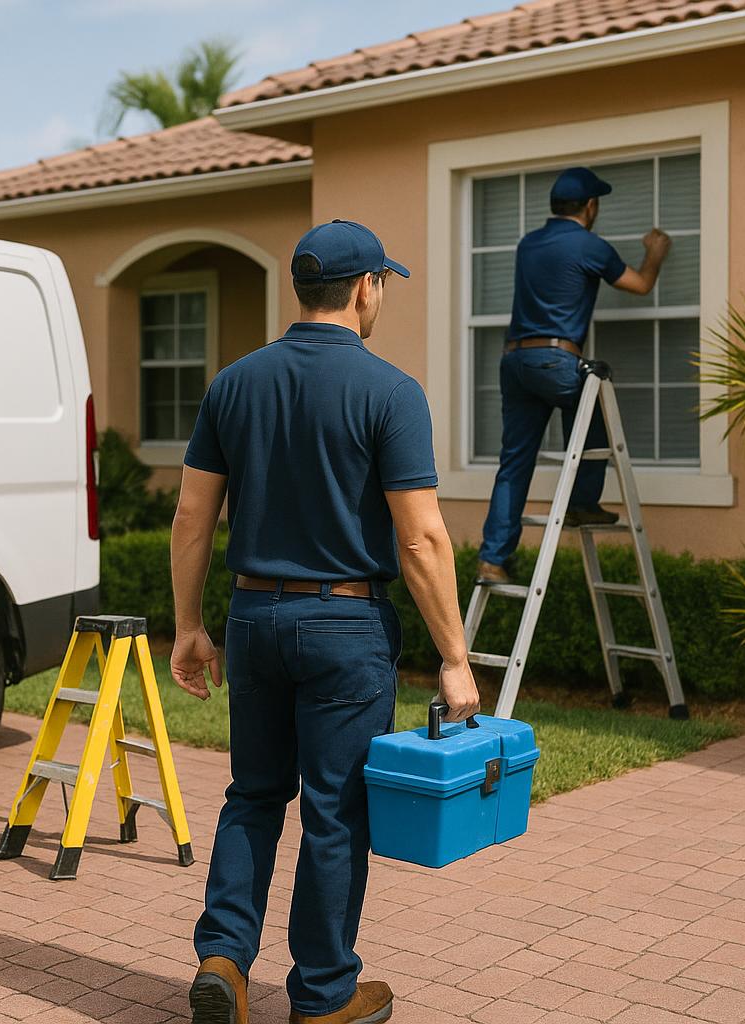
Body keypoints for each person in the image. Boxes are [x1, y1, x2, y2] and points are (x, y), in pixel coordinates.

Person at [167, 219, 482, 1024]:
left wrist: (189, 626)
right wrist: (455, 656)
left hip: (254, 619)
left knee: (253, 795)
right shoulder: (391, 392)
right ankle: (323, 995)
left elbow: (192, 519)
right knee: (334, 812)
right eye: (384, 283)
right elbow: (420, 538)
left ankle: (223, 964)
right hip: (346, 628)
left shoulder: (233, 384)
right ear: (366, 286)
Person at [477, 166, 673, 585]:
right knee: (594, 394)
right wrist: (655, 254)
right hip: (554, 361)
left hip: (514, 362)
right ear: (590, 206)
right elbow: (638, 285)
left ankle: (492, 559)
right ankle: (583, 502)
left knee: (514, 463)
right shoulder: (589, 246)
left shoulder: (527, 244)